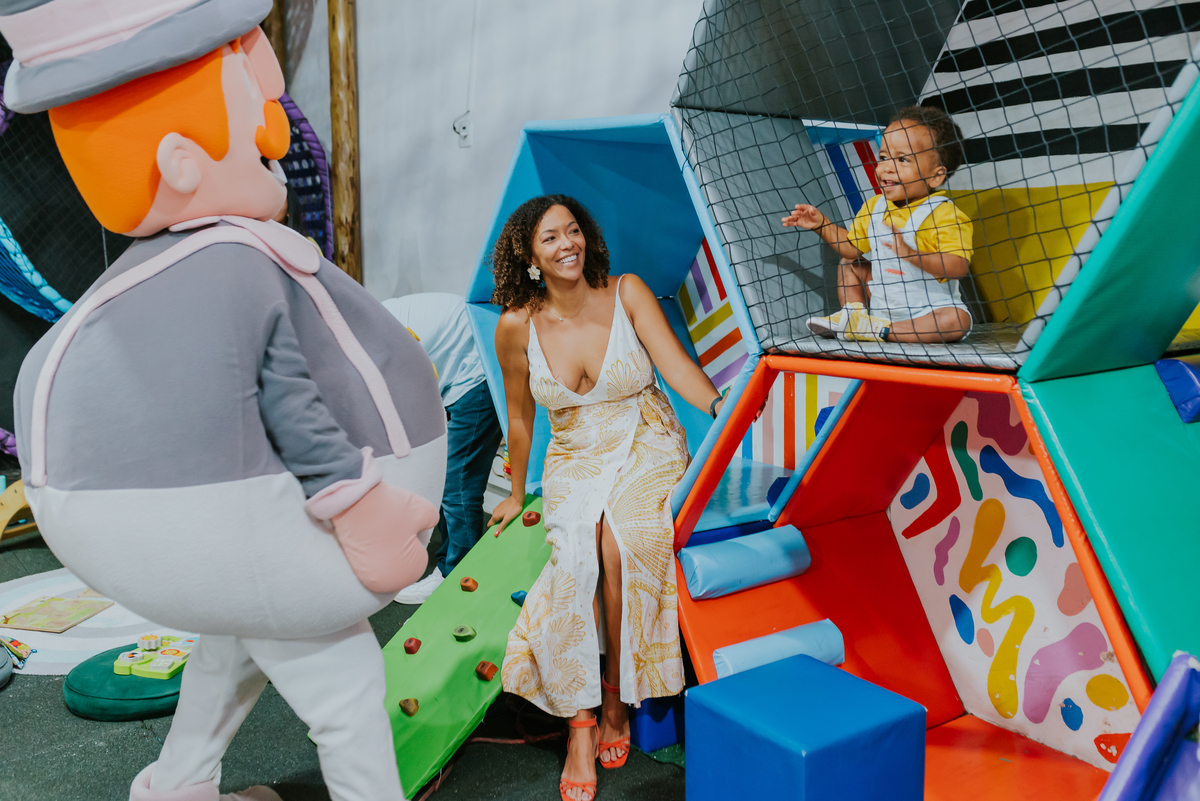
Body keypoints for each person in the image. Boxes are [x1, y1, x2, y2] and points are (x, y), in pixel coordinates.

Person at [3, 6, 444, 800]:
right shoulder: (239, 265)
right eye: (255, 124)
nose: (275, 136)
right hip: (263, 531)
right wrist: (362, 506)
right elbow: (294, 409)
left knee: (231, 645)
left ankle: (177, 783)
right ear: (180, 162)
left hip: (189, 530)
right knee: (346, 687)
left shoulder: (142, 279)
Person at [488, 195, 726, 801]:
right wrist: (515, 493)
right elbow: (520, 419)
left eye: (573, 231)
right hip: (574, 451)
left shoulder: (627, 292)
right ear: (529, 254)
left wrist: (723, 408)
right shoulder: (516, 325)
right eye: (550, 237)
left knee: (624, 543)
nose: (567, 244)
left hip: (646, 434)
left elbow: (676, 367)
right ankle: (580, 722)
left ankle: (617, 697)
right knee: (575, 554)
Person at [782, 105, 974, 343]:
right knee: (849, 263)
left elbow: (957, 266)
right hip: (882, 303)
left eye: (902, 159)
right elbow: (851, 249)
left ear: (935, 176)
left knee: (956, 321)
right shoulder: (874, 206)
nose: (887, 167)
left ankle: (878, 331)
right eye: (883, 157)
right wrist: (822, 225)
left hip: (928, 310)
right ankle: (853, 315)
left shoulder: (944, 214)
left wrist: (912, 255)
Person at [382, 293, 503, 603]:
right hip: (458, 362)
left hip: (477, 367)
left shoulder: (366, 342)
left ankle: (458, 578)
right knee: (442, 476)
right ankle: (452, 561)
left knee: (457, 483)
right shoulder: (358, 326)